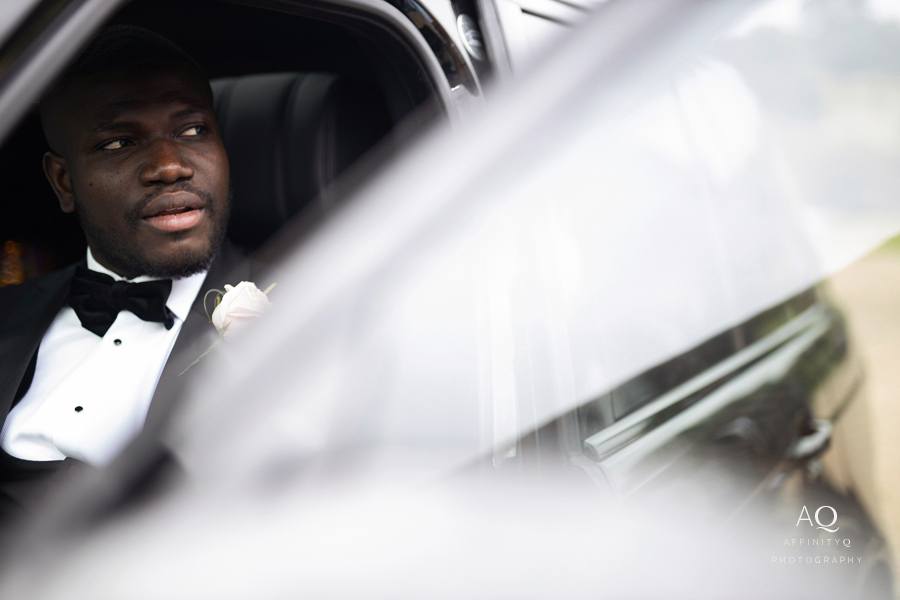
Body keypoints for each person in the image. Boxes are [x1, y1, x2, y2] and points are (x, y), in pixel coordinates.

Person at [0, 25, 254, 516]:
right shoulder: (7, 312)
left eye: (193, 130)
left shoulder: (305, 313)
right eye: (118, 143)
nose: (169, 166)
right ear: (63, 182)